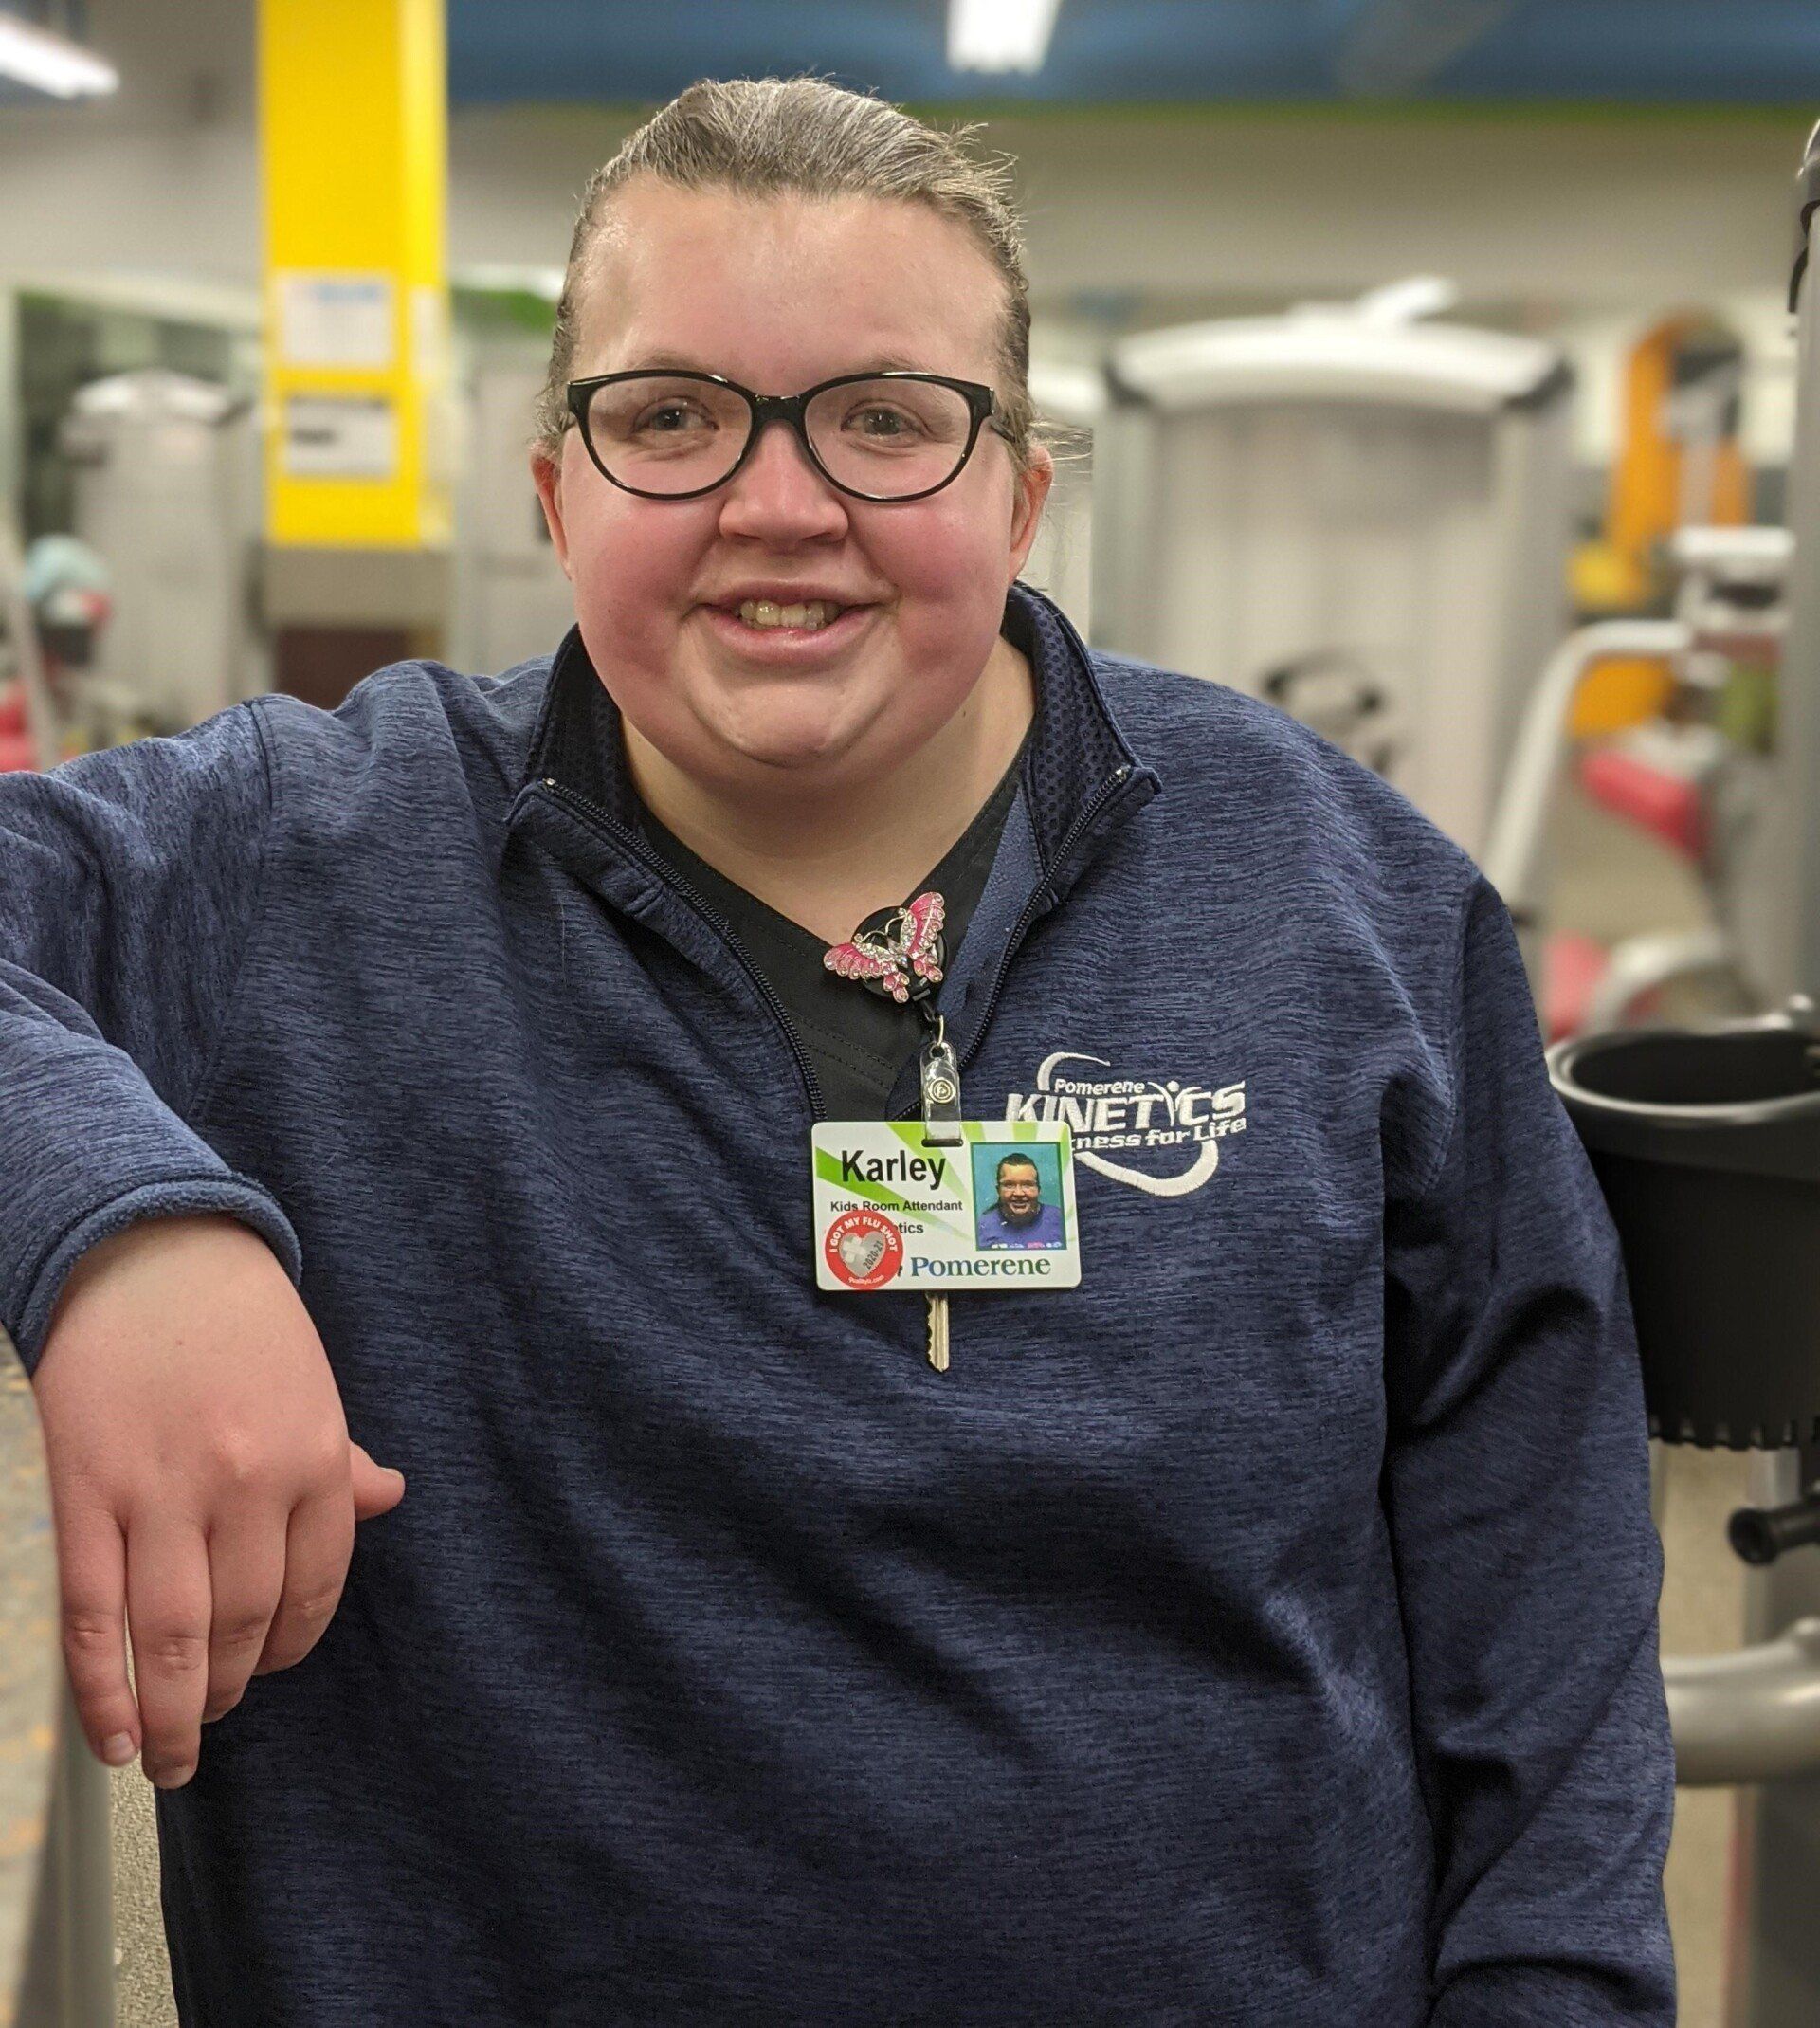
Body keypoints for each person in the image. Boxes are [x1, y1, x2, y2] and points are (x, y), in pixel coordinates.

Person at [2, 75, 1675, 2028]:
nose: (779, 506)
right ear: (553, 490)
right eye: (670, 417)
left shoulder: (1339, 896)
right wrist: (125, 1223)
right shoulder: (301, 861)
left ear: (1021, 493)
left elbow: (1544, 1568)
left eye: (885, 418)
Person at [976, 1151, 1065, 1248]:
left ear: (1038, 1189)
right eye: (1009, 1185)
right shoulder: (982, 1228)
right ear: (998, 1190)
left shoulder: (1062, 1220)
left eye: (1027, 1185)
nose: (1019, 1193)